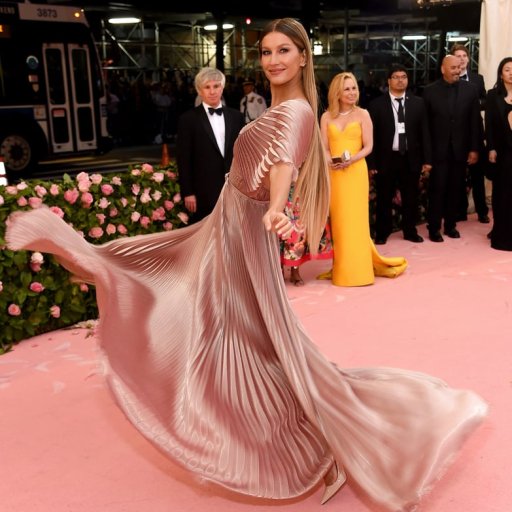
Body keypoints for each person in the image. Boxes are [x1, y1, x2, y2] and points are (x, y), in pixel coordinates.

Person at [6, 18, 487, 512]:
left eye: (284, 50)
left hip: (245, 231)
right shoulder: (280, 106)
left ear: (304, 56)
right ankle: (311, 437)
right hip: (227, 224)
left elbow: (282, 164)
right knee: (245, 331)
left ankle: (327, 439)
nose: (273, 60)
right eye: (265, 52)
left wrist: (278, 207)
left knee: (248, 333)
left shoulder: (296, 112)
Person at [318, 72, 408, 286]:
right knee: (339, 222)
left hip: (355, 172)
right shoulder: (326, 117)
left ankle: (358, 271)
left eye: (354, 88)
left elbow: (368, 146)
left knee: (356, 221)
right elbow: (323, 147)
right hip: (335, 175)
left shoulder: (363, 114)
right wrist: (330, 159)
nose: (351, 93)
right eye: (347, 89)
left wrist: (351, 160)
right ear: (337, 92)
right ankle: (342, 268)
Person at [368, 64, 432, 244]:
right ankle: (382, 232)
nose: (400, 80)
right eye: (396, 77)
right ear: (389, 81)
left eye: (403, 76)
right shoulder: (376, 105)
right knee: (384, 198)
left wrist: (427, 160)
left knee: (411, 197)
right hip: (385, 159)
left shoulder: (418, 103)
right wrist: (371, 164)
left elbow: (424, 133)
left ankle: (410, 231)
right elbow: (370, 136)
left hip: (411, 158)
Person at [422, 55, 481, 242]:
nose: (457, 70)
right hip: (438, 151)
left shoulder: (471, 90)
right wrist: (427, 156)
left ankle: (450, 226)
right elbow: (426, 127)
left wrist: (474, 149)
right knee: (437, 190)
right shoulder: (429, 91)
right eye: (453, 67)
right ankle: (434, 228)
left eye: (459, 67)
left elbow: (475, 123)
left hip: (460, 150)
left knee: (455, 189)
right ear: (443, 69)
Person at [177, 67, 244, 222]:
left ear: (222, 87)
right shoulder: (188, 120)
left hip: (234, 189)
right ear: (199, 91)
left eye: (216, 86)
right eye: (207, 87)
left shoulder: (236, 117)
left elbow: (244, 154)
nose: (212, 91)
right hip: (203, 191)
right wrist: (188, 192)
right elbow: (184, 159)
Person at [450, 43, 490, 224]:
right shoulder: (449, 78)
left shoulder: (477, 79)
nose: (461, 59)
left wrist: (470, 104)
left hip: (475, 132)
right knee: (457, 175)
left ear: (468, 58)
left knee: (477, 176)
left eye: (464, 56)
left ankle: (482, 211)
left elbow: (484, 100)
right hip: (456, 135)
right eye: (457, 56)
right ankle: (460, 210)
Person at [485, 56, 512, 251]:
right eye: (507, 69)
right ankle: (501, 232)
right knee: (502, 193)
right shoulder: (492, 95)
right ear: (501, 74)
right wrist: (491, 148)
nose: (511, 72)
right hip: (502, 152)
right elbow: (490, 125)